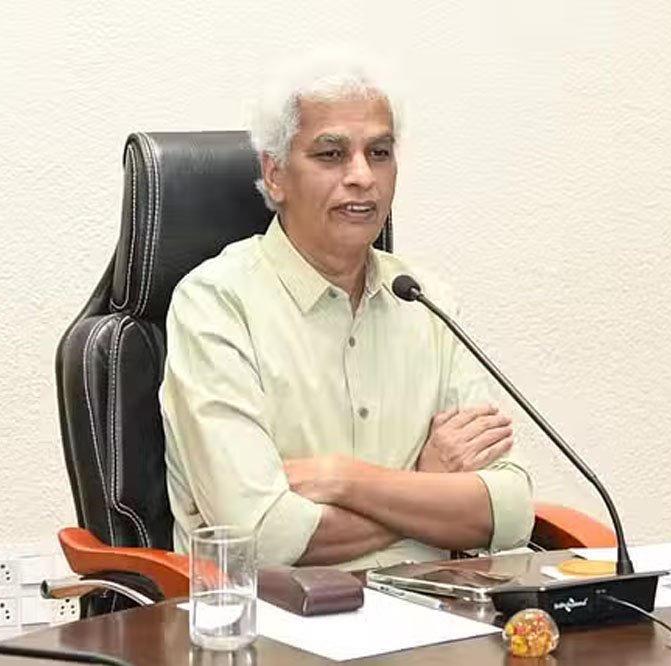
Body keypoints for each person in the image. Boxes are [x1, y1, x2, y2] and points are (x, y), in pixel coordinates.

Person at [161, 50, 534, 569]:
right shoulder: (216, 304)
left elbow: (510, 510)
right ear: (275, 174)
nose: (362, 176)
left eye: (379, 153)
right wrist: (425, 485)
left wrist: (342, 479)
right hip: (280, 612)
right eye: (331, 154)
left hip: (435, 604)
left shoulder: (425, 299)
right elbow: (261, 536)